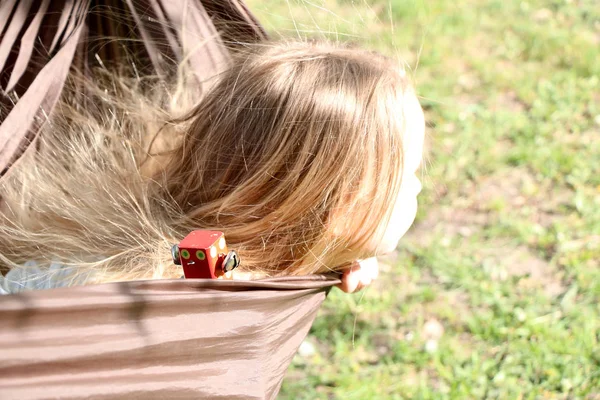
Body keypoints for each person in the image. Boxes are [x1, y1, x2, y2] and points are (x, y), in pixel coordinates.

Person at [0, 40, 424, 294]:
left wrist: (337, 252)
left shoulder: (233, 247)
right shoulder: (196, 264)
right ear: (339, 208)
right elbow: (201, 262)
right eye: (407, 177)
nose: (419, 187)